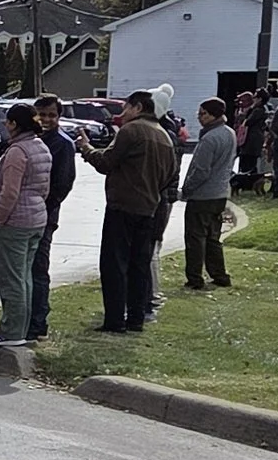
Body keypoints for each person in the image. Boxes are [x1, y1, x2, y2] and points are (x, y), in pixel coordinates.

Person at [80, 89, 179, 335]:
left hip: (122, 206)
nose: (122, 114)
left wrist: (86, 148)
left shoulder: (132, 130)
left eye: (125, 108)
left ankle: (114, 320)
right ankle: (136, 319)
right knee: (139, 266)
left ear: (137, 107)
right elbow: (170, 175)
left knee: (114, 264)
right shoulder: (164, 136)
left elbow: (106, 163)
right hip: (149, 208)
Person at [0, 102, 52, 343]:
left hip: (14, 224)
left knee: (11, 280)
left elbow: (9, 192)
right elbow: (45, 187)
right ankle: (22, 329)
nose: (5, 124)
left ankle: (11, 332)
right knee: (24, 278)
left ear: (14, 124)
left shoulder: (17, 152)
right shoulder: (40, 146)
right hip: (36, 219)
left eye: (8, 121)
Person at [24, 95, 76, 344]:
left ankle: (37, 324)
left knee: (37, 269)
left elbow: (63, 184)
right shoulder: (33, 139)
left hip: (44, 216)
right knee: (24, 269)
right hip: (27, 216)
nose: (45, 119)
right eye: (41, 114)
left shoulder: (62, 144)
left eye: (51, 115)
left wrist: (43, 208)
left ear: (59, 116)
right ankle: (25, 319)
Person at [177, 96, 236, 286]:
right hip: (220, 194)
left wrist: (186, 190)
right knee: (213, 237)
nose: (199, 118)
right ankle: (219, 275)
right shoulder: (229, 133)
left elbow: (201, 171)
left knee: (195, 238)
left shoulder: (209, 139)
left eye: (203, 114)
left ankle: (194, 278)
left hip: (203, 196)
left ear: (213, 115)